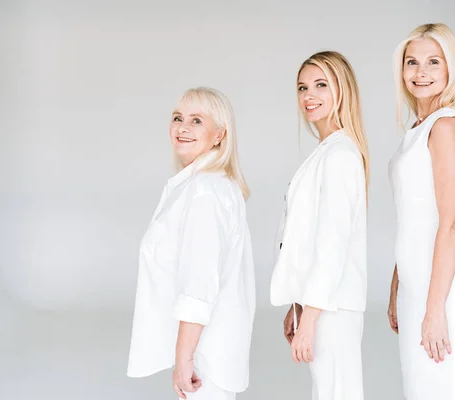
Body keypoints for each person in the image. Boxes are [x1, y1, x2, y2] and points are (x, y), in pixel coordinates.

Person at [127, 87, 256, 400]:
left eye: (196, 120)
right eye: (177, 118)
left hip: (204, 358)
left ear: (219, 135)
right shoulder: (204, 185)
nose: (182, 127)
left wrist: (184, 359)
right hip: (207, 352)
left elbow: (199, 284)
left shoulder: (204, 191)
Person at [387, 23, 455, 399]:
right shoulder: (417, 127)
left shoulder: (445, 126)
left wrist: (435, 308)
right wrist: (398, 283)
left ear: (450, 69)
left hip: (444, 288)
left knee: (444, 389)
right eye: (412, 62)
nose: (420, 72)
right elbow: (413, 215)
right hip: (417, 282)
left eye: (432, 62)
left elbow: (453, 222)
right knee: (420, 388)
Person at [270, 51, 369, 400]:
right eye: (302, 87)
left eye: (321, 85)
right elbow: (305, 238)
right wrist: (297, 306)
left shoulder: (340, 155)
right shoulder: (326, 151)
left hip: (333, 307)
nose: (309, 95)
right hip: (320, 304)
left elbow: (333, 243)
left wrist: (309, 318)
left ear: (342, 89)